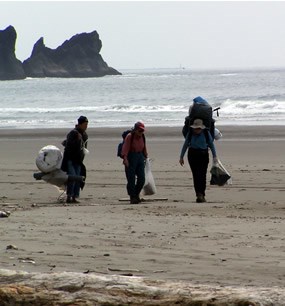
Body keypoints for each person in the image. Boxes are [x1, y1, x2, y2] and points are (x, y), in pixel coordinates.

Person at [179, 118, 218, 203]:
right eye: (195, 128)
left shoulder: (206, 133)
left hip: (203, 155)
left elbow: (211, 145)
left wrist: (215, 156)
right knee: (196, 175)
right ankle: (198, 194)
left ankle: (202, 194)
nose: (196, 130)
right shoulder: (190, 134)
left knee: (203, 175)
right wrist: (181, 157)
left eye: (198, 128)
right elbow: (185, 145)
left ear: (201, 128)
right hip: (192, 155)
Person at [61, 116, 89, 203]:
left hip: (79, 161)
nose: (86, 126)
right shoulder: (73, 133)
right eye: (85, 124)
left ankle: (74, 197)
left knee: (78, 178)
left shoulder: (85, 135)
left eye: (87, 124)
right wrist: (77, 140)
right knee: (72, 177)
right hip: (71, 160)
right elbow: (68, 146)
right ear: (80, 124)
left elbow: (84, 148)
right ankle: (69, 196)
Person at [121, 121, 148, 204]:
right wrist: (125, 159)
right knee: (131, 179)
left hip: (140, 157)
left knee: (142, 179)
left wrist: (146, 155)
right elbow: (125, 148)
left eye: (142, 131)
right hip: (131, 157)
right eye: (140, 130)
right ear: (135, 130)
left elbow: (144, 147)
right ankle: (132, 197)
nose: (141, 132)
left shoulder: (142, 136)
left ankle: (136, 194)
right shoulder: (130, 137)